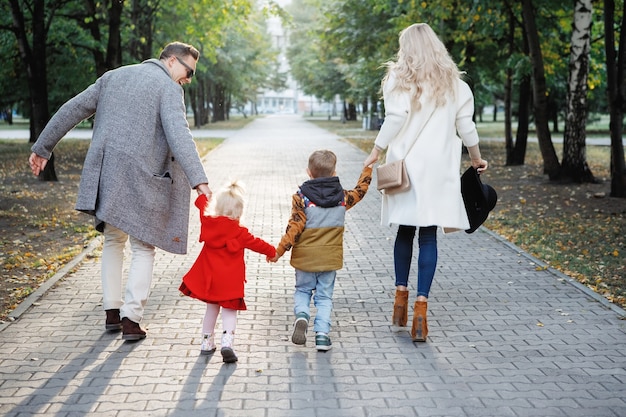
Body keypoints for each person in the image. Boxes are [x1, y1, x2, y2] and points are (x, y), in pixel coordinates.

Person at [28, 42, 212, 341]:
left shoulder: (113, 76)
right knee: (143, 246)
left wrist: (43, 147)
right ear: (171, 61)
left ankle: (111, 311)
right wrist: (199, 181)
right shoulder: (168, 88)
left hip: (108, 175)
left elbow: (72, 109)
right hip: (143, 177)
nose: (188, 79)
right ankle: (131, 318)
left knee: (113, 240)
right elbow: (180, 135)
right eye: (188, 71)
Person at [363, 23, 488, 342]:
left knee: (405, 232)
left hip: (406, 167)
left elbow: (394, 119)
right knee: (428, 236)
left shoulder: (398, 79)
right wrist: (475, 158)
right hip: (438, 171)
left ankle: (399, 304)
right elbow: (466, 127)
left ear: (407, 48)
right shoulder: (457, 86)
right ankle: (421, 311)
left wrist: (376, 151)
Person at [269, 150, 372, 351]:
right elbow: (360, 191)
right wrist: (367, 168)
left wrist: (279, 251)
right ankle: (322, 336)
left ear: (309, 172)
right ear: (334, 173)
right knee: (324, 298)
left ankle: (302, 316)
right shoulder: (342, 197)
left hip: (305, 259)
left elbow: (294, 227)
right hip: (329, 260)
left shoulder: (301, 198)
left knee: (303, 290)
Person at [179, 181, 276, 363]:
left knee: (211, 310)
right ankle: (227, 344)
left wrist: (202, 193)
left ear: (216, 207)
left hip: (210, 280)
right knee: (230, 311)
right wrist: (272, 252)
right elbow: (257, 243)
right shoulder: (239, 232)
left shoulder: (208, 222)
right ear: (239, 212)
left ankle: (206, 343)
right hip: (230, 282)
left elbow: (201, 205)